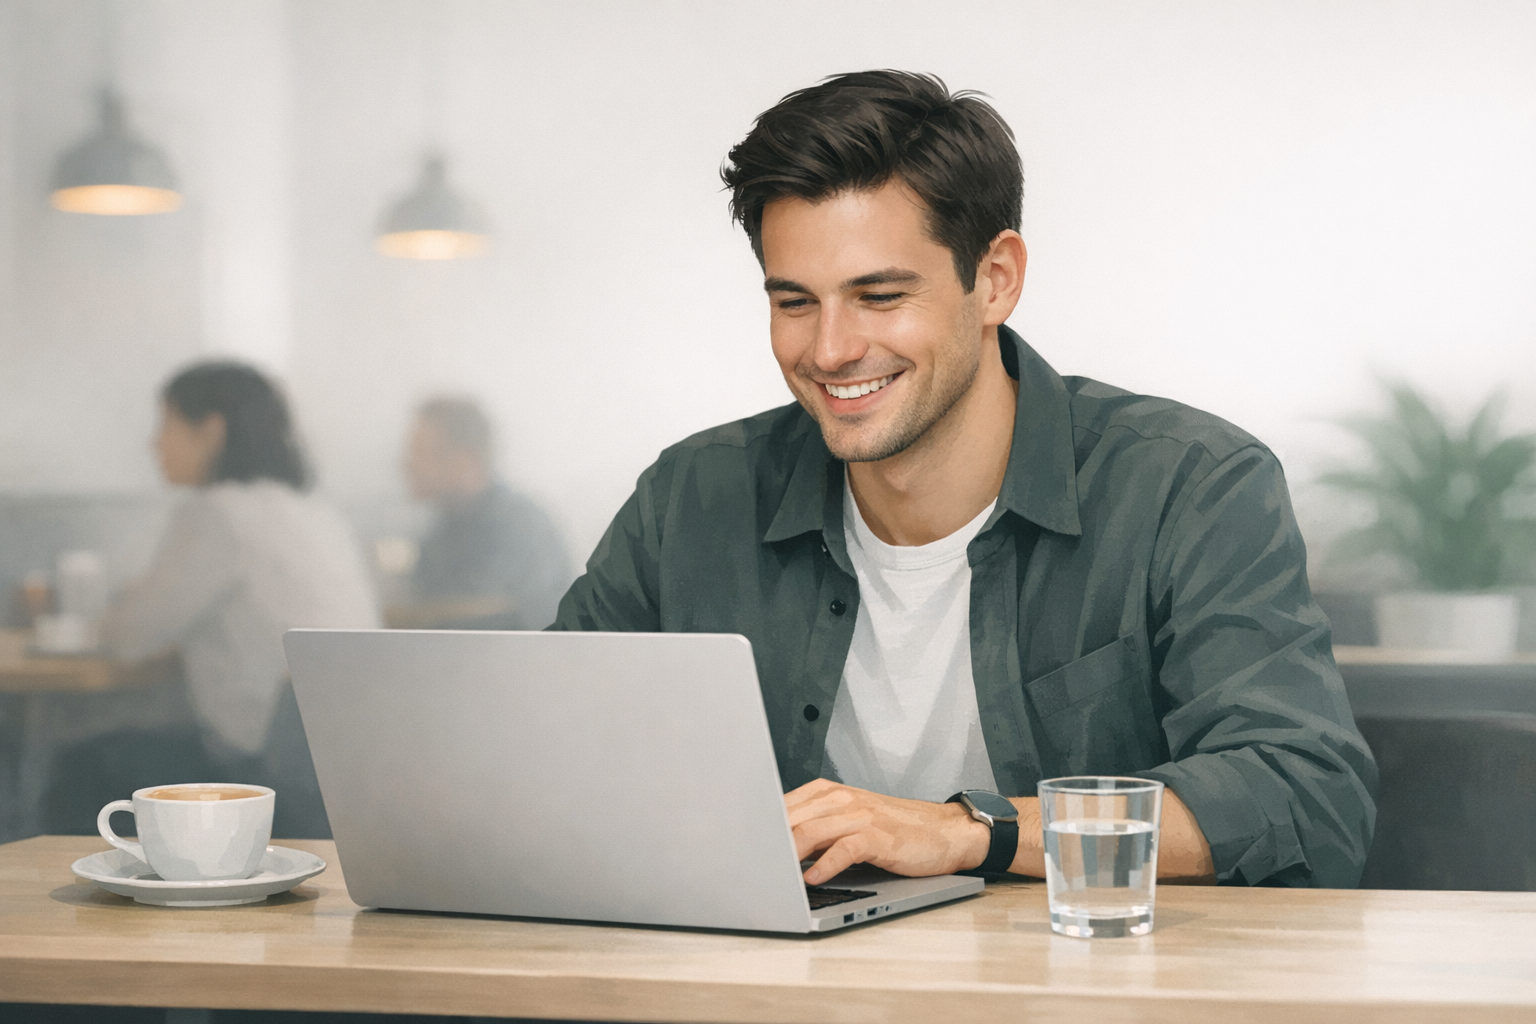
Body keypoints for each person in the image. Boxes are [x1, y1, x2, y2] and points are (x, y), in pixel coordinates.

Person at [552, 71, 1377, 888]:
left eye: (878, 295)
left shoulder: (1188, 485)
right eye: (795, 302)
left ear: (995, 280)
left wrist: (969, 832)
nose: (830, 350)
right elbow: (539, 748)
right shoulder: (693, 497)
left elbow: (1302, 796)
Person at [61, 361, 380, 837]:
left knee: (79, 764)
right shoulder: (312, 511)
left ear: (211, 430)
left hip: (267, 764)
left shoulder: (216, 514)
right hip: (347, 760)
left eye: (166, 424)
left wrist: (120, 607)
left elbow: (127, 636)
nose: (153, 444)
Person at [403, 396, 571, 630]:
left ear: (464, 461)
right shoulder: (440, 532)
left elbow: (479, 619)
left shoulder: (520, 525)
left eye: (420, 452)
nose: (407, 463)